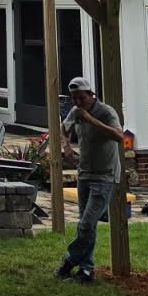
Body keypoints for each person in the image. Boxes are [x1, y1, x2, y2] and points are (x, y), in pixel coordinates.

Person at [54, 75, 125, 284]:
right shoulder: (76, 111)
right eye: (74, 98)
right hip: (84, 174)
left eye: (81, 98)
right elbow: (63, 127)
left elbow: (120, 137)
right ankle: (86, 271)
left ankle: (69, 260)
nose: (77, 103)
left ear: (91, 95)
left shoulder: (106, 112)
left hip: (105, 176)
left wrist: (90, 119)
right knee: (88, 226)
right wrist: (66, 147)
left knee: (85, 225)